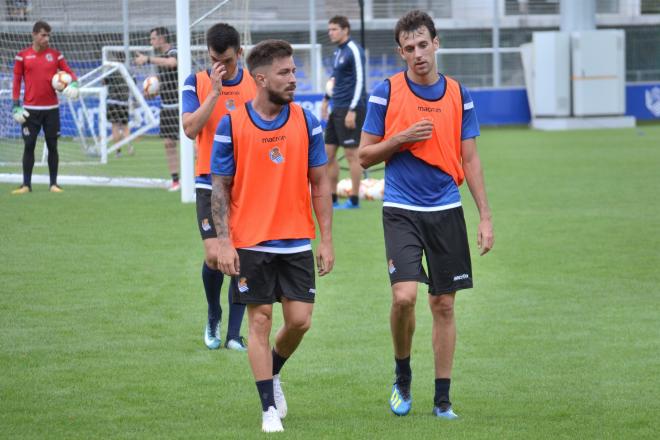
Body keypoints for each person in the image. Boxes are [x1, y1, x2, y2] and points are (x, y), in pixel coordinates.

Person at [358, 10, 494, 419]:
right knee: (404, 297)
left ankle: (442, 399)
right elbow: (364, 156)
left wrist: (485, 215)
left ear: (436, 43)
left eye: (423, 44)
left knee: (444, 306)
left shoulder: (459, 93)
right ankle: (402, 375)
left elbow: (470, 159)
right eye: (409, 48)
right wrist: (400, 139)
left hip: (446, 209)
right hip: (401, 208)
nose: (417, 54)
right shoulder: (386, 93)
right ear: (400, 53)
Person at [210, 39, 334, 433]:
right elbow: (219, 188)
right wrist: (225, 241)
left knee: (299, 321)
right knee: (260, 320)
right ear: (260, 78)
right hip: (250, 242)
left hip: (297, 240)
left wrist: (326, 240)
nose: (294, 78)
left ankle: (273, 372)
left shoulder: (307, 121)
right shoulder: (232, 124)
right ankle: (267, 408)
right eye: (285, 72)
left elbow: (320, 184)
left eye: (294, 71)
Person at [182, 23, 256, 351]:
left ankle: (234, 335)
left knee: (242, 257)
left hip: (247, 183)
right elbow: (189, 129)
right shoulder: (196, 82)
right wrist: (214, 91)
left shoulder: (256, 84)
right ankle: (214, 312)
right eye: (214, 59)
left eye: (226, 60)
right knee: (214, 256)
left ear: (239, 54)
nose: (220, 66)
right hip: (208, 182)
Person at [11, 20, 79, 194]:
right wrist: (15, 105)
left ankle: (53, 184)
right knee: (29, 145)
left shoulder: (56, 55)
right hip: (30, 110)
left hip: (51, 109)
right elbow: (17, 81)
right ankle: (26, 185)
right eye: (43, 35)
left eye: (48, 35)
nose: (46, 38)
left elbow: (70, 74)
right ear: (34, 35)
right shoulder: (22, 56)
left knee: (52, 146)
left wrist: (74, 84)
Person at [321, 15, 367, 209]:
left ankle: (354, 199)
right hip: (336, 108)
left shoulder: (354, 50)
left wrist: (352, 110)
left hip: (350, 109)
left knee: (351, 155)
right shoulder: (337, 53)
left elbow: (360, 81)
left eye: (334, 29)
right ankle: (332, 198)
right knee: (327, 154)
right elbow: (334, 80)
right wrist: (325, 100)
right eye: (329, 29)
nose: (330, 32)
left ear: (345, 30)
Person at [135, 27, 180, 191]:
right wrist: (152, 92)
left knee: (194, 146)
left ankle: (200, 180)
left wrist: (147, 59)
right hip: (167, 106)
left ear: (162, 39)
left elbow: (172, 63)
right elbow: (165, 81)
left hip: (183, 106)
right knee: (169, 143)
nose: (151, 42)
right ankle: (176, 181)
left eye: (153, 39)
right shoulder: (160, 58)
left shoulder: (174, 51)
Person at [104, 52, 133, 157]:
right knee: (125, 126)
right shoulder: (128, 71)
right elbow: (133, 84)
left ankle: (118, 151)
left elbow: (103, 82)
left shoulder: (112, 70)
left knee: (115, 126)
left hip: (112, 101)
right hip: (124, 102)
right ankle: (129, 147)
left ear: (116, 59)